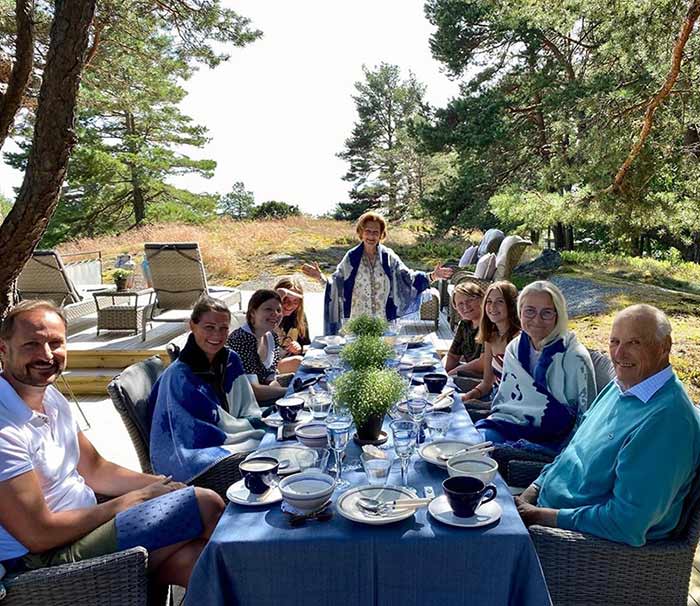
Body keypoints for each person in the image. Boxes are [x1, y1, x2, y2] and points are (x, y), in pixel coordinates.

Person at [0, 300, 223, 588]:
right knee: (204, 503)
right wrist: (132, 501)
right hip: (43, 559)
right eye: (32, 344)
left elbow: (95, 469)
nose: (46, 354)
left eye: (55, 343)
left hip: (84, 528)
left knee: (194, 561)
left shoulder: (51, 397)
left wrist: (161, 484)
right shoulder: (5, 427)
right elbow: (38, 534)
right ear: (3, 350)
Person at [515, 304, 700, 547]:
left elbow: (626, 523)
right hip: (542, 510)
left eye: (635, 343)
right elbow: (573, 449)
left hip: (577, 545)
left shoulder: (668, 421)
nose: (619, 354)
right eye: (614, 342)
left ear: (664, 347)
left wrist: (538, 516)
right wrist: (532, 490)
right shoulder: (621, 386)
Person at [149, 296, 265, 482]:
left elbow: (247, 406)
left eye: (223, 328)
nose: (217, 335)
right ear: (192, 326)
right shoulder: (179, 376)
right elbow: (185, 431)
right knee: (273, 447)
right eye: (209, 327)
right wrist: (244, 428)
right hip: (195, 451)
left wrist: (250, 423)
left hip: (234, 431)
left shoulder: (230, 360)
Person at [475, 280, 596, 453]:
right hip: (511, 424)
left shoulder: (575, 357)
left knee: (488, 453)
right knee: (475, 440)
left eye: (546, 313)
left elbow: (587, 416)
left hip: (555, 438)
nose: (537, 320)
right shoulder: (515, 348)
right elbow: (506, 400)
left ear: (558, 315)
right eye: (530, 311)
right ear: (520, 312)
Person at [301, 211, 453, 334]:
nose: (371, 236)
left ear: (381, 235)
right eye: (368, 231)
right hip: (357, 321)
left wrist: (433, 275)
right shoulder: (351, 258)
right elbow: (336, 284)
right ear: (361, 232)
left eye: (376, 232)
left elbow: (408, 279)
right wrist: (319, 277)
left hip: (383, 321)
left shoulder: (388, 257)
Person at [461, 281, 520, 405]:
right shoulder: (491, 336)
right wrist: (468, 396)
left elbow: (519, 393)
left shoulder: (518, 340)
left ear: (511, 305)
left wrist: (482, 405)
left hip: (509, 407)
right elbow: (487, 383)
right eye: (489, 301)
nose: (492, 307)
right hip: (493, 398)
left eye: (500, 301)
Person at [226, 289, 287, 403]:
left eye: (278, 310)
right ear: (253, 313)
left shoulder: (271, 336)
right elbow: (253, 391)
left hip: (264, 397)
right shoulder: (241, 340)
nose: (275, 314)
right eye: (268, 309)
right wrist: (289, 391)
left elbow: (270, 376)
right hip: (243, 404)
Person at [444, 282, 486, 384]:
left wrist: (452, 373)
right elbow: (453, 356)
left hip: (486, 380)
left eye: (470, 301)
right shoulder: (464, 324)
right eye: (460, 304)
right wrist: (444, 374)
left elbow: (483, 363)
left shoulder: (490, 324)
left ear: (482, 299)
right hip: (468, 375)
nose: (465, 307)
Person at [273, 276, 310, 374]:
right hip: (268, 366)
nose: (290, 305)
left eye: (295, 302)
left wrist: (299, 349)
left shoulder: (299, 317)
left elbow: (308, 345)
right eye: (285, 300)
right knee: (299, 362)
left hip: (289, 361)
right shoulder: (268, 316)